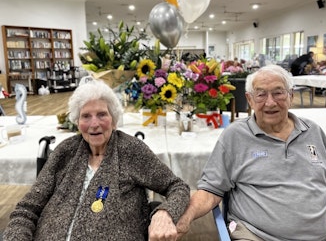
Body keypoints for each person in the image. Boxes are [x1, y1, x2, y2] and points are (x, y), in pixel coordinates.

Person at [176, 64, 326, 240]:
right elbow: (210, 190)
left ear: (291, 96)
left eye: (278, 93)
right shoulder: (235, 136)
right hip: (258, 236)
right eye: (261, 94)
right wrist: (185, 216)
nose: (270, 103)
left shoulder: (313, 132)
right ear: (250, 100)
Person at [3, 80, 190, 241]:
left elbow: (177, 187)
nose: (94, 124)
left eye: (102, 114)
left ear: (114, 120)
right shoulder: (65, 151)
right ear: (77, 122)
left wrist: (165, 213)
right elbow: (27, 209)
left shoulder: (130, 150)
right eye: (86, 116)